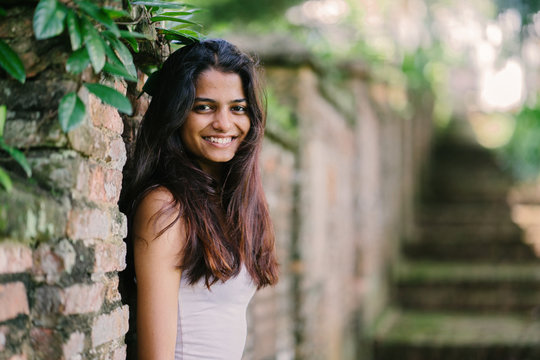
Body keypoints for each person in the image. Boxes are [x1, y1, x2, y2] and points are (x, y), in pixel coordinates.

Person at [123, 39, 279, 360]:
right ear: (177, 114)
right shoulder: (167, 208)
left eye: (238, 108)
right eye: (204, 107)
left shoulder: (231, 201)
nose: (224, 123)